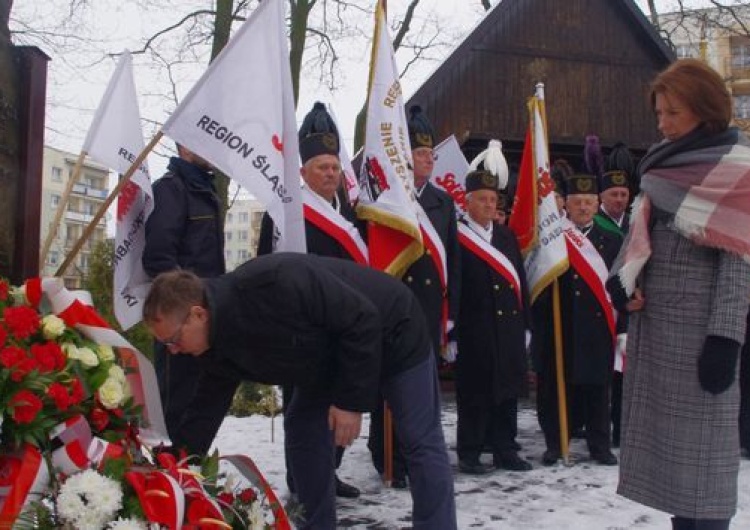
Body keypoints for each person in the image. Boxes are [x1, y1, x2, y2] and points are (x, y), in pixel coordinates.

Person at [143, 254, 457, 530]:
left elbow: (362, 319)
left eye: (172, 339)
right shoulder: (215, 343)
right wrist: (178, 461)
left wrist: (349, 402)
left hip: (393, 330)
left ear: (198, 314)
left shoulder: (274, 283)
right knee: (303, 430)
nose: (172, 351)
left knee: (419, 439)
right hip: (327, 358)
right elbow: (207, 405)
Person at [609, 58, 750, 530]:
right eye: (659, 113)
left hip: (701, 345)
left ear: (703, 113)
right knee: (675, 480)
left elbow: (738, 263)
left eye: (672, 113)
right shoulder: (665, 165)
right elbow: (642, 233)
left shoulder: (735, 170)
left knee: (706, 482)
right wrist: (623, 282)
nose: (662, 123)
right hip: (659, 338)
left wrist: (724, 342)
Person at [257, 102, 365, 499]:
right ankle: (300, 479)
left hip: (343, 327)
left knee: (340, 401)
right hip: (300, 328)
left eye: (335, 167)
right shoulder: (285, 211)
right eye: (322, 167)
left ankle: (328, 473)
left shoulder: (351, 216)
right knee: (303, 410)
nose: (330, 173)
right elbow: (264, 267)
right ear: (303, 171)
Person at [368, 105, 461, 489]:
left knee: (419, 389)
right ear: (406, 157)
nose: (427, 161)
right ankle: (385, 453)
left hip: (426, 309)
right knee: (385, 384)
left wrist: (450, 315)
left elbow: (451, 259)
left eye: (430, 155)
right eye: (421, 154)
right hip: (391, 305)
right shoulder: (389, 199)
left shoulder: (442, 202)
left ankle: (414, 453)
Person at [532, 173, 621, 467]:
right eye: (577, 202)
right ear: (566, 206)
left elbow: (621, 285)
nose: (583, 207)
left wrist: (624, 328)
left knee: (598, 389)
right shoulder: (553, 239)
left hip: (597, 329)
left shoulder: (611, 241)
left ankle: (600, 445)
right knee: (558, 388)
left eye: (588, 202)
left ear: (597, 205)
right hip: (562, 326)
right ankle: (556, 444)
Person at [454, 147, 532, 475]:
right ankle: (470, 451)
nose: (489, 205)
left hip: (509, 329)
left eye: (493, 199)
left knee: (507, 392)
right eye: (482, 198)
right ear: (467, 201)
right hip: (475, 329)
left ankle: (505, 448)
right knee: (475, 393)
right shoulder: (457, 237)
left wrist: (525, 324)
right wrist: (453, 331)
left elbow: (520, 279)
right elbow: (454, 286)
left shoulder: (505, 235)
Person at [142, 143, 225, 439]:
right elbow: (158, 259)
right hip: (181, 324)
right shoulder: (171, 189)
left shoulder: (204, 189)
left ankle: (192, 474)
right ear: (186, 146)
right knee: (176, 412)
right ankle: (170, 478)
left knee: (200, 410)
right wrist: (192, 306)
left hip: (204, 320)